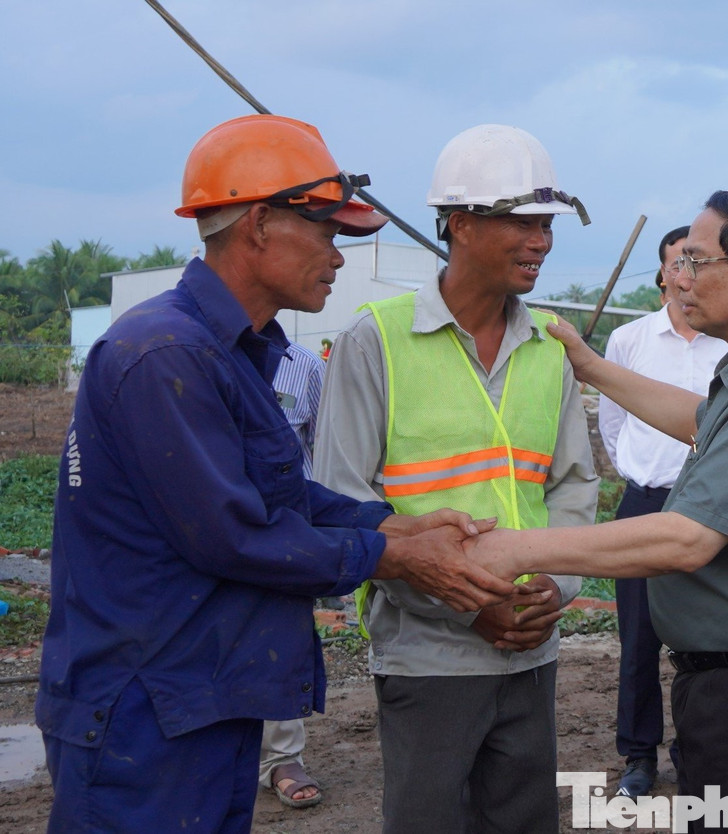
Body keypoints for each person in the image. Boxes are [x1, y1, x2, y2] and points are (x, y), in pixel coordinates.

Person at [35, 114, 515, 834]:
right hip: (144, 711)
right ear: (259, 224)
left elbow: (281, 496)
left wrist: (390, 523)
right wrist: (399, 558)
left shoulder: (232, 352)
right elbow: (234, 535)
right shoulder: (166, 353)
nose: (338, 258)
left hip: (202, 696)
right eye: (326, 234)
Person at [463, 190, 728, 817]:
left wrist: (513, 547)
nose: (678, 279)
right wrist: (591, 367)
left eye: (696, 261)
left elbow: (688, 538)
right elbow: (701, 421)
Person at [313, 124, 598, 834]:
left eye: (546, 225)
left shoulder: (547, 347)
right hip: (429, 654)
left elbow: (571, 488)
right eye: (522, 223)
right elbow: (340, 500)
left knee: (524, 820)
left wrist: (549, 595)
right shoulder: (375, 340)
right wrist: (473, 605)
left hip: (533, 646)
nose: (541, 242)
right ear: (461, 224)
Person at [597, 225, 728, 797]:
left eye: (699, 262)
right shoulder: (629, 340)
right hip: (646, 502)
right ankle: (638, 757)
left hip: (713, 506)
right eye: (679, 262)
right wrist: (638, 469)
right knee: (640, 641)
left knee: (712, 638)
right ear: (662, 273)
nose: (687, 273)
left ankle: (704, 752)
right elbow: (612, 420)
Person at [260, 340, 328, 809]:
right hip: (209, 520)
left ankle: (280, 756)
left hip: (284, 526)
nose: (336, 261)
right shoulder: (188, 353)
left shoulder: (302, 365)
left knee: (280, 632)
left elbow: (321, 447)